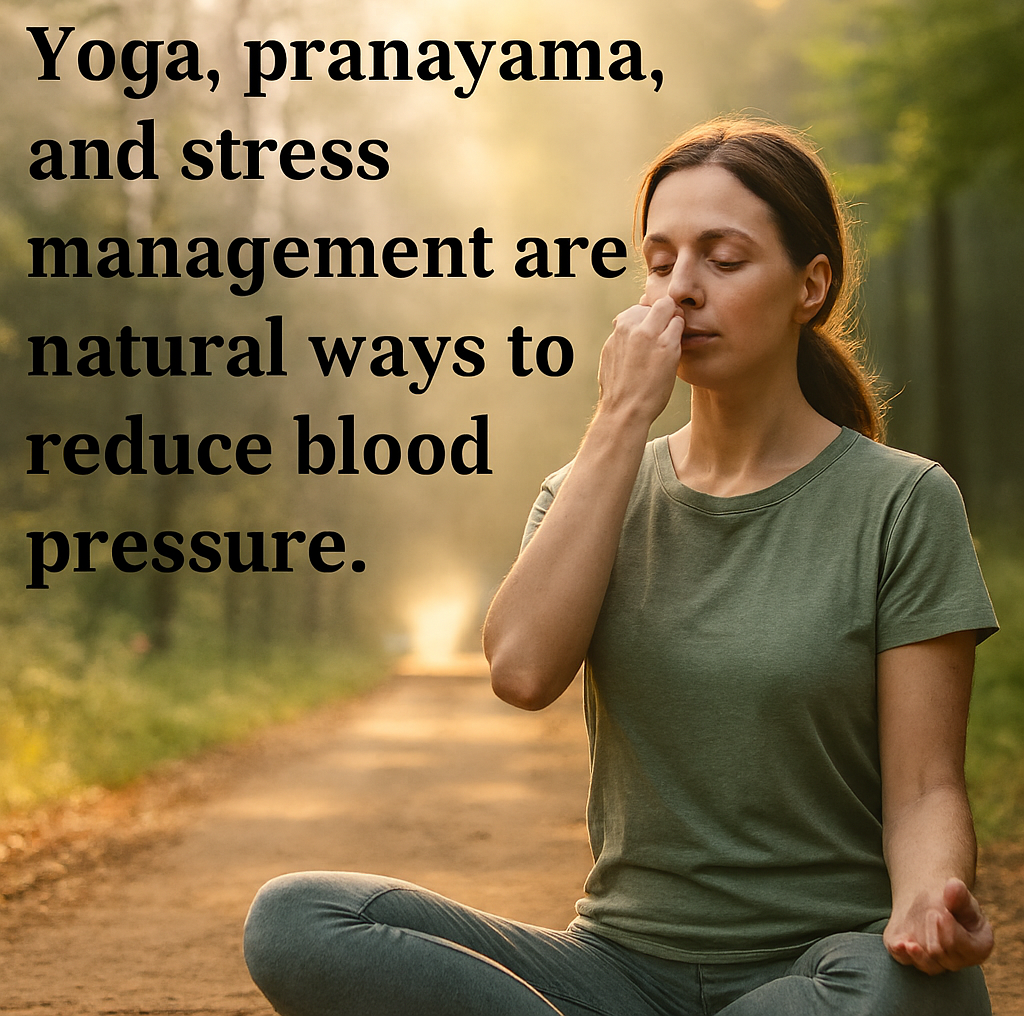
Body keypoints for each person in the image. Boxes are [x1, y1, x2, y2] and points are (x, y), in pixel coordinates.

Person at [243, 118, 999, 1015]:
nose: (681, 290)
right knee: (298, 919)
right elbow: (521, 671)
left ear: (811, 285)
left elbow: (924, 789)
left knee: (906, 992)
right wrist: (616, 423)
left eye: (724, 259)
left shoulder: (903, 502)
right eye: (660, 259)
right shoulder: (591, 488)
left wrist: (925, 900)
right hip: (616, 971)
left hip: (820, 968)